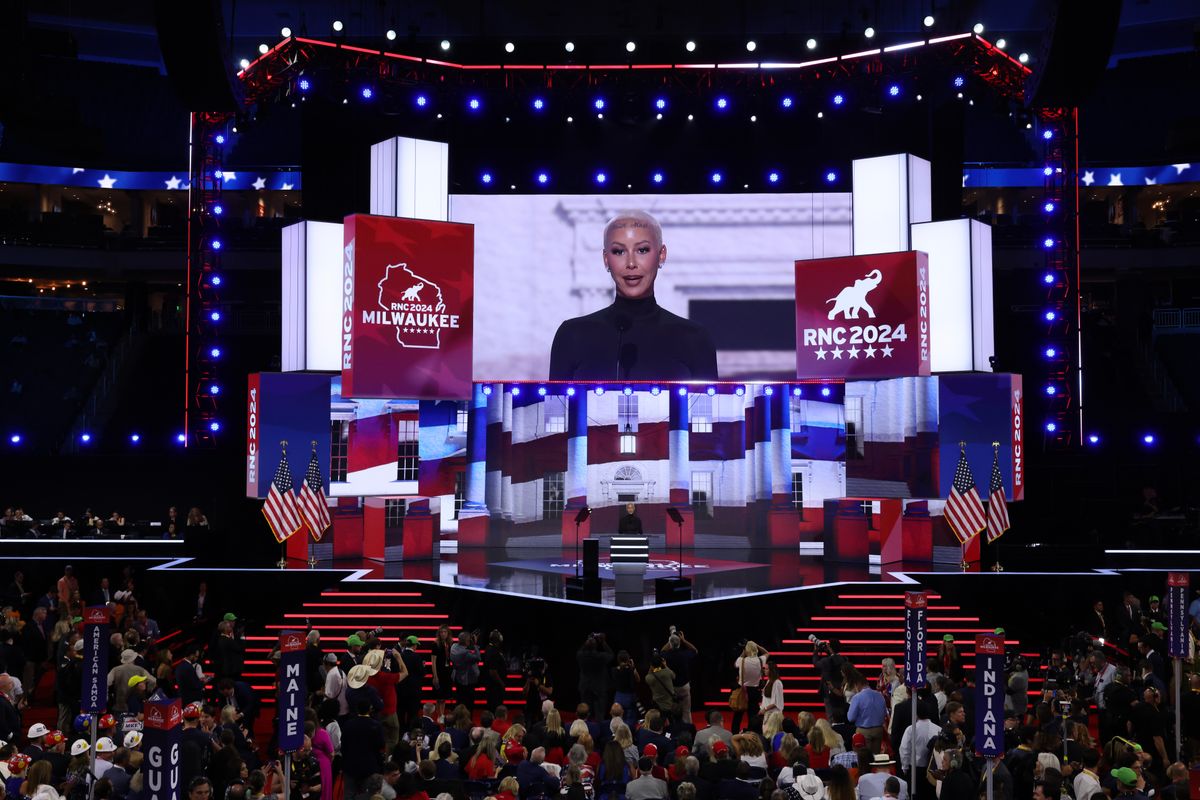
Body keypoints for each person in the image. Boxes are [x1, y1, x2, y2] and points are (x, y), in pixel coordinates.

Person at [549, 210, 718, 381]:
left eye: (642, 250)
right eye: (618, 251)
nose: (631, 263)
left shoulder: (694, 338)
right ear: (606, 260)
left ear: (661, 255)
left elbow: (709, 407)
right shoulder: (572, 335)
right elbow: (556, 407)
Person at [732, 641, 768, 733]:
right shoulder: (760, 660)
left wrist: (743, 653)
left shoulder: (741, 660)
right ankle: (753, 733)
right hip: (755, 691)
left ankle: (734, 733)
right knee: (753, 715)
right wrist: (758, 645)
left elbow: (735, 664)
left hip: (742, 690)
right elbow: (767, 653)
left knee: (738, 715)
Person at [577, 634, 613, 714]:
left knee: (584, 712)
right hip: (598, 688)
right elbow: (611, 655)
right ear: (596, 646)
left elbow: (579, 651)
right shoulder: (600, 657)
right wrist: (603, 642)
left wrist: (586, 642)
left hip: (585, 686)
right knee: (599, 713)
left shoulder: (581, 656)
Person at [449, 631, 481, 709]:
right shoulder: (466, 653)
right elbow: (478, 658)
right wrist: (475, 645)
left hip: (457, 677)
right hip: (467, 680)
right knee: (468, 702)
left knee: (459, 700)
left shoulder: (453, 647)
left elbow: (463, 647)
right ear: (467, 641)